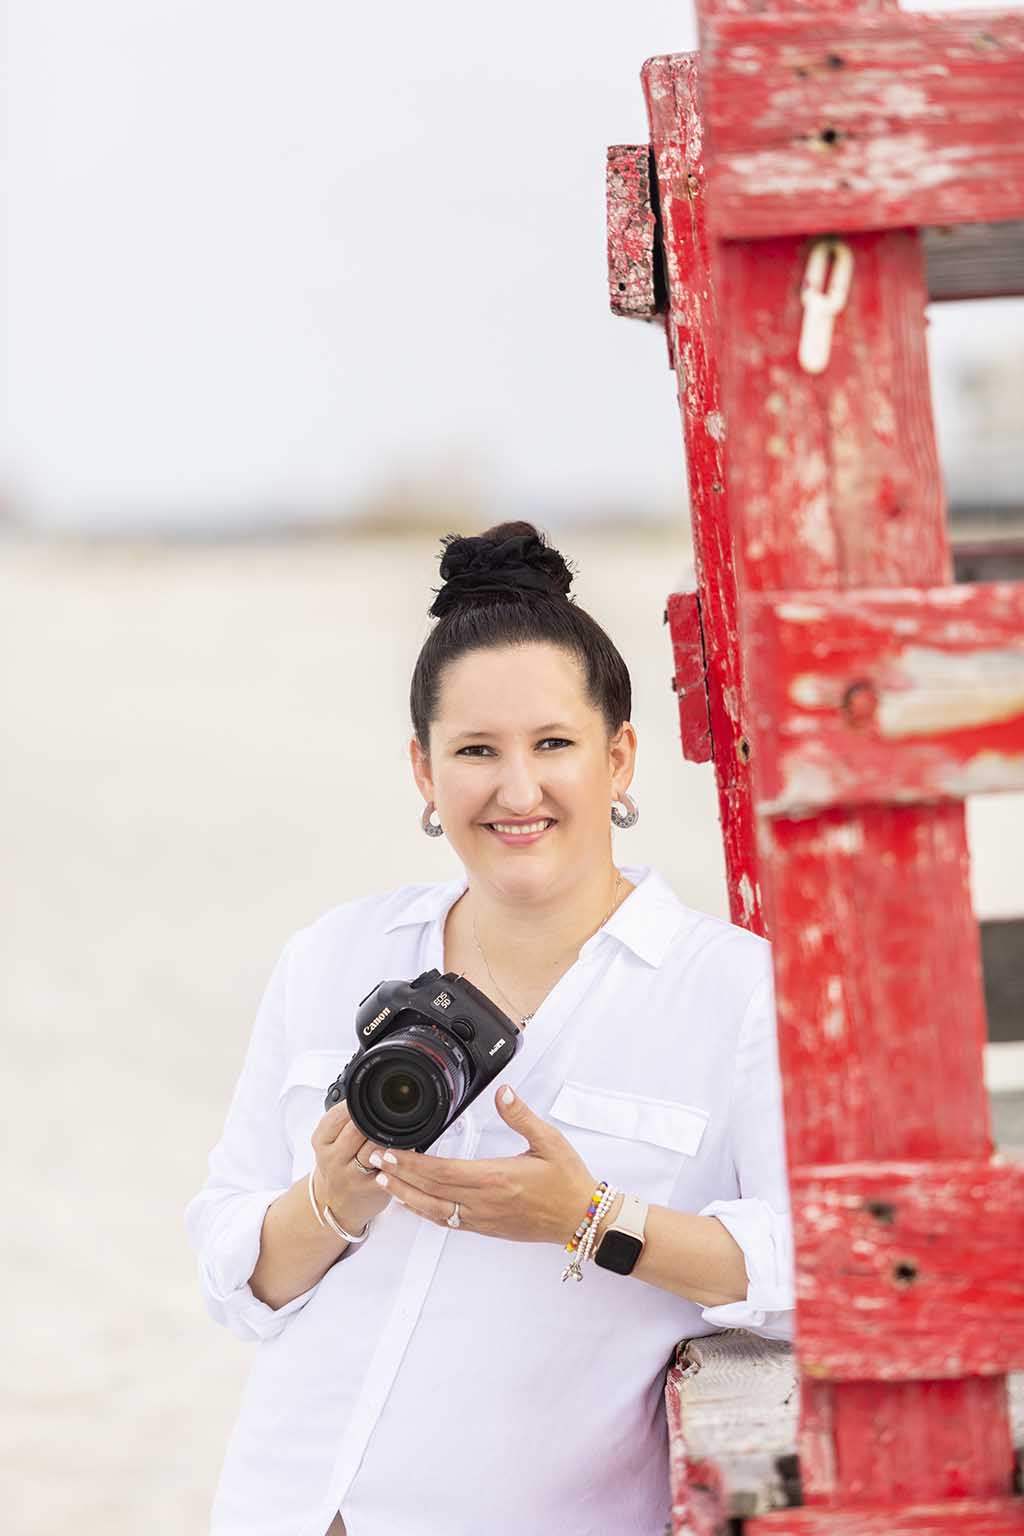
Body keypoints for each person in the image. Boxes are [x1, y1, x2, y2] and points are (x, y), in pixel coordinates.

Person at [184, 522, 794, 1536]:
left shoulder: (729, 991)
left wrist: (590, 1219)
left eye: (553, 744)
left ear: (619, 757)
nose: (517, 790)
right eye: (475, 751)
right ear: (424, 773)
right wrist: (331, 1200)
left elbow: (807, 1272)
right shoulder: (334, 955)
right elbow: (233, 1272)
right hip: (283, 1506)